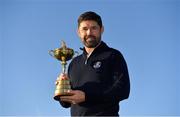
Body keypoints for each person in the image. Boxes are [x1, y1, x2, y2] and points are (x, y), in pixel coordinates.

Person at [58, 11, 130, 116]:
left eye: (94, 28)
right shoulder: (74, 63)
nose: (89, 33)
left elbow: (123, 90)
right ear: (78, 32)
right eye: (85, 29)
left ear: (102, 29)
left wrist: (87, 96)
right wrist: (62, 89)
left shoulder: (113, 55)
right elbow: (66, 104)